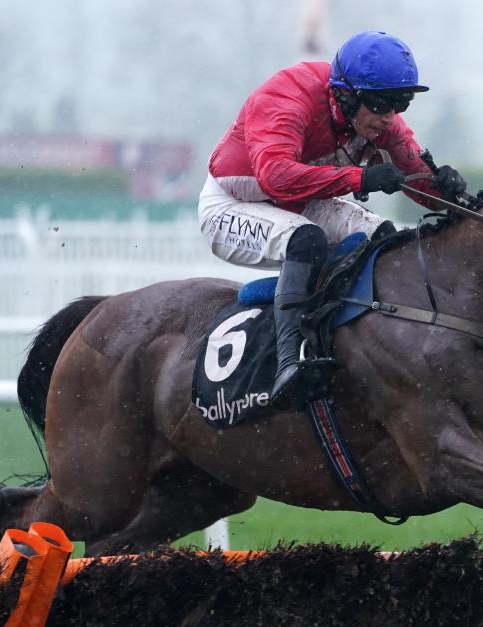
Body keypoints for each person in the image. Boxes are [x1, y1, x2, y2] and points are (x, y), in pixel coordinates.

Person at [199, 30, 467, 409]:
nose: (389, 117)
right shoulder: (287, 96)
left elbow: (420, 183)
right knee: (306, 240)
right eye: (381, 104)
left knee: (384, 238)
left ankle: (370, 346)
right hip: (230, 205)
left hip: (300, 201)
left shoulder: (380, 120)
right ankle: (289, 365)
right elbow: (275, 176)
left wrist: (445, 187)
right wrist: (361, 178)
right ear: (346, 94)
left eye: (400, 104)